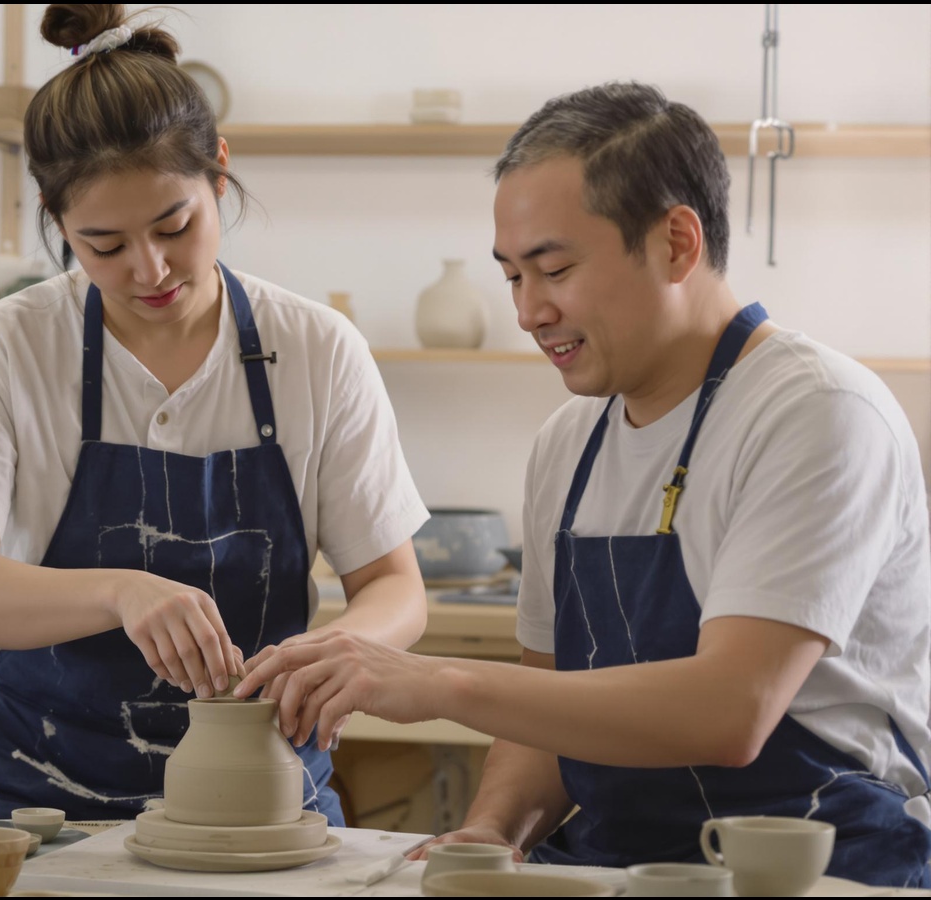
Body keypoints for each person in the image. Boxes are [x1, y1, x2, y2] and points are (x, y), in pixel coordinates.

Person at [234, 82, 931, 887]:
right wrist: (494, 828)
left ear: (676, 243)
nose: (530, 313)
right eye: (512, 279)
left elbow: (730, 710)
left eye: (553, 269)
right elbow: (546, 709)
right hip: (618, 864)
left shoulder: (817, 415)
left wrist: (439, 683)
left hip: (820, 866)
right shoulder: (570, 442)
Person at [0, 4, 430, 823]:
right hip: (38, 804)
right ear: (54, 215)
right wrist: (119, 593)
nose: (150, 268)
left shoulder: (316, 348)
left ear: (219, 170)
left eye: (176, 226)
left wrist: (341, 650)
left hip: (265, 800)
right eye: (103, 245)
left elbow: (395, 586)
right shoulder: (2, 347)